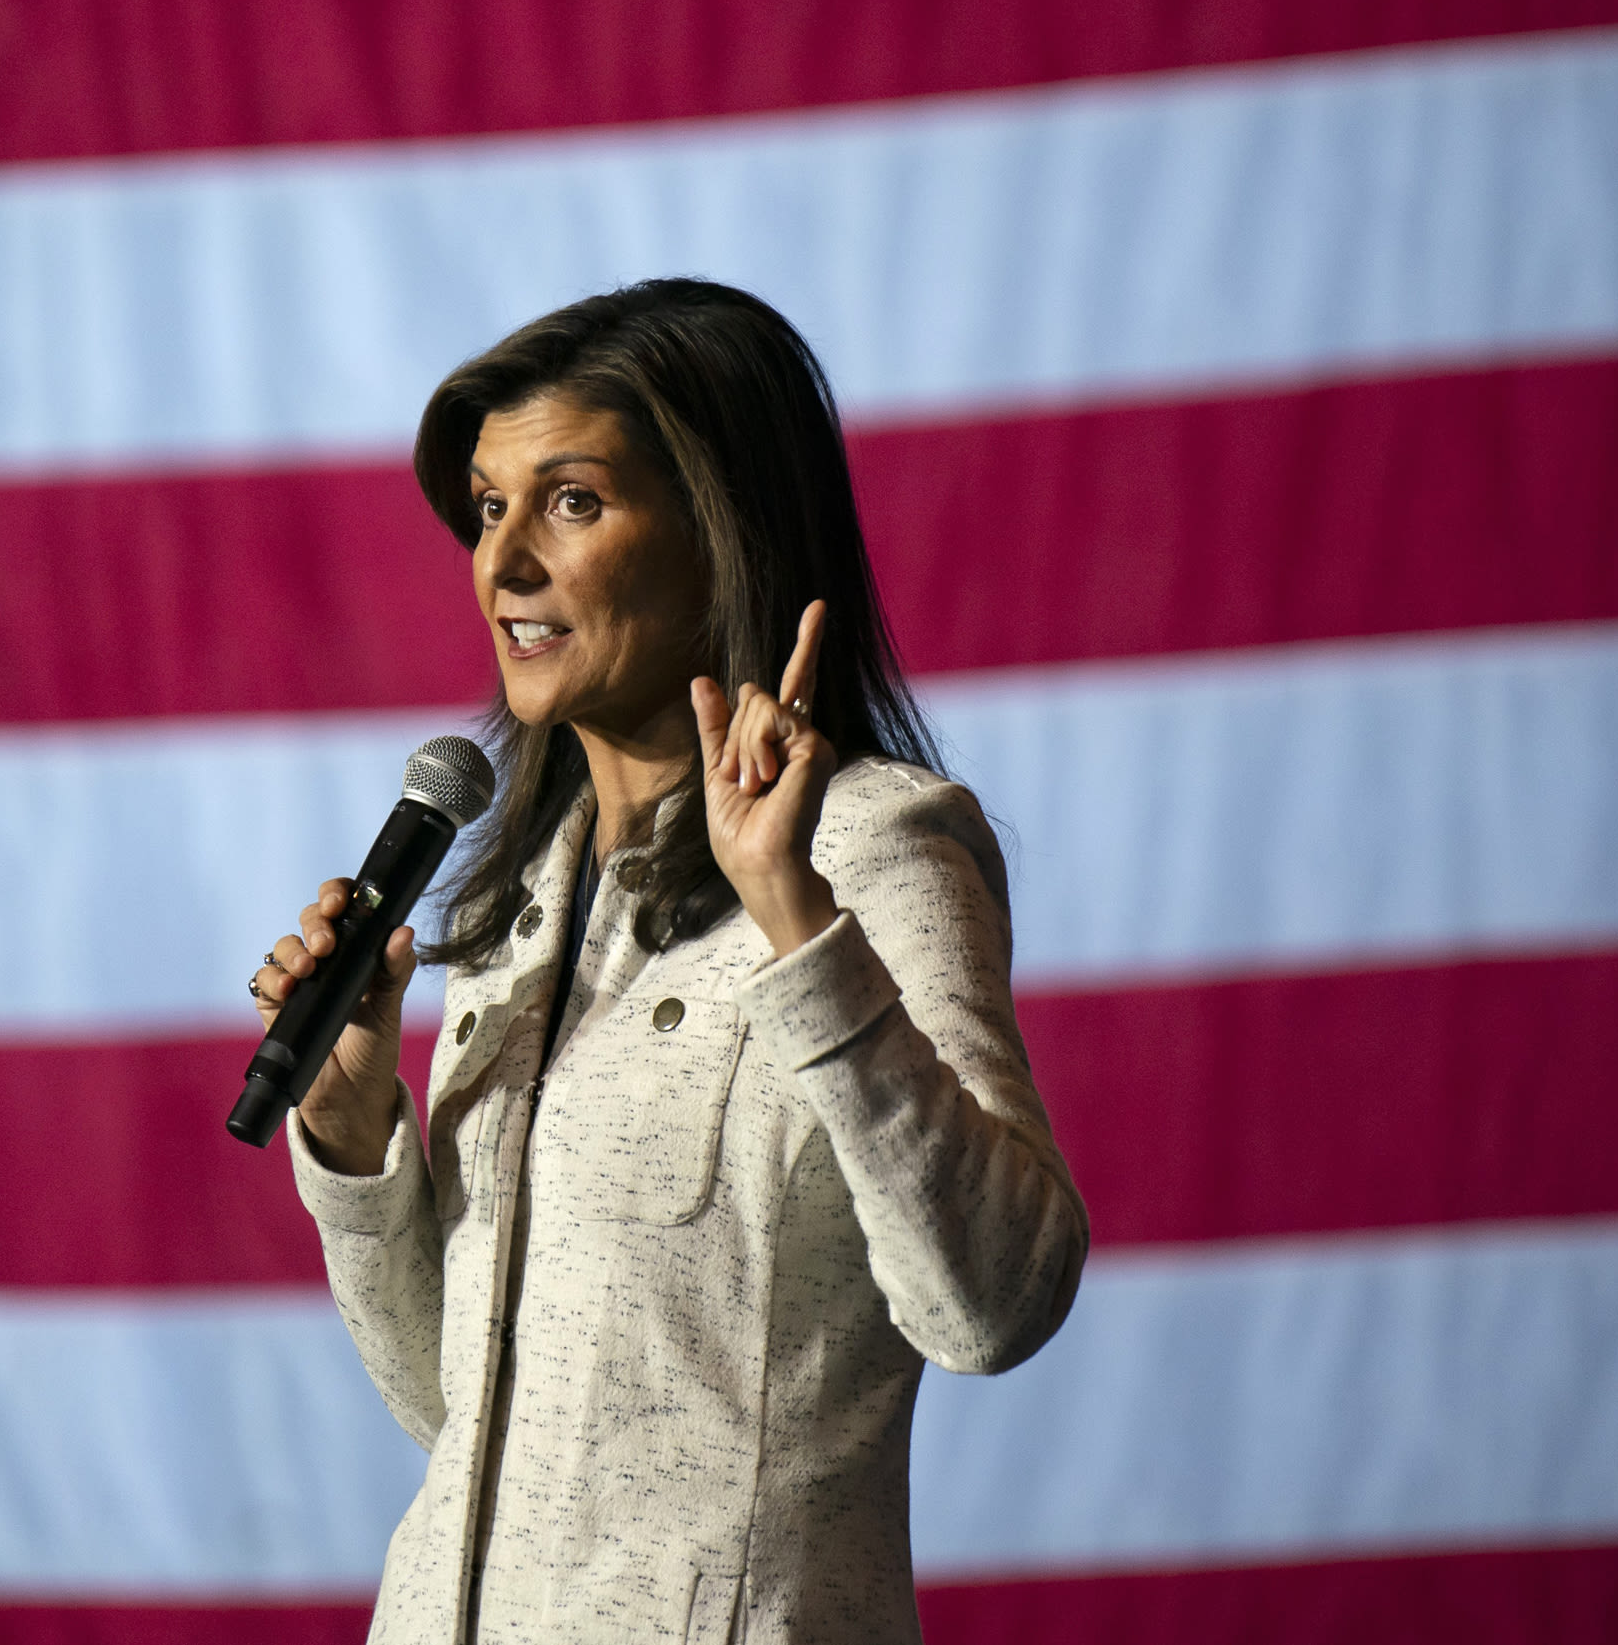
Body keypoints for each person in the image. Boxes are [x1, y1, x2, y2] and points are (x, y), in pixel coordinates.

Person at [249, 279, 1087, 1644]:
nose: (503, 560)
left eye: (570, 501)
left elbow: (995, 1300)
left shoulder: (870, 850)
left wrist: (795, 923)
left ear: (722, 530)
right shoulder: (517, 901)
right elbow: (470, 1417)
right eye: (486, 505)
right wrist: (352, 1142)